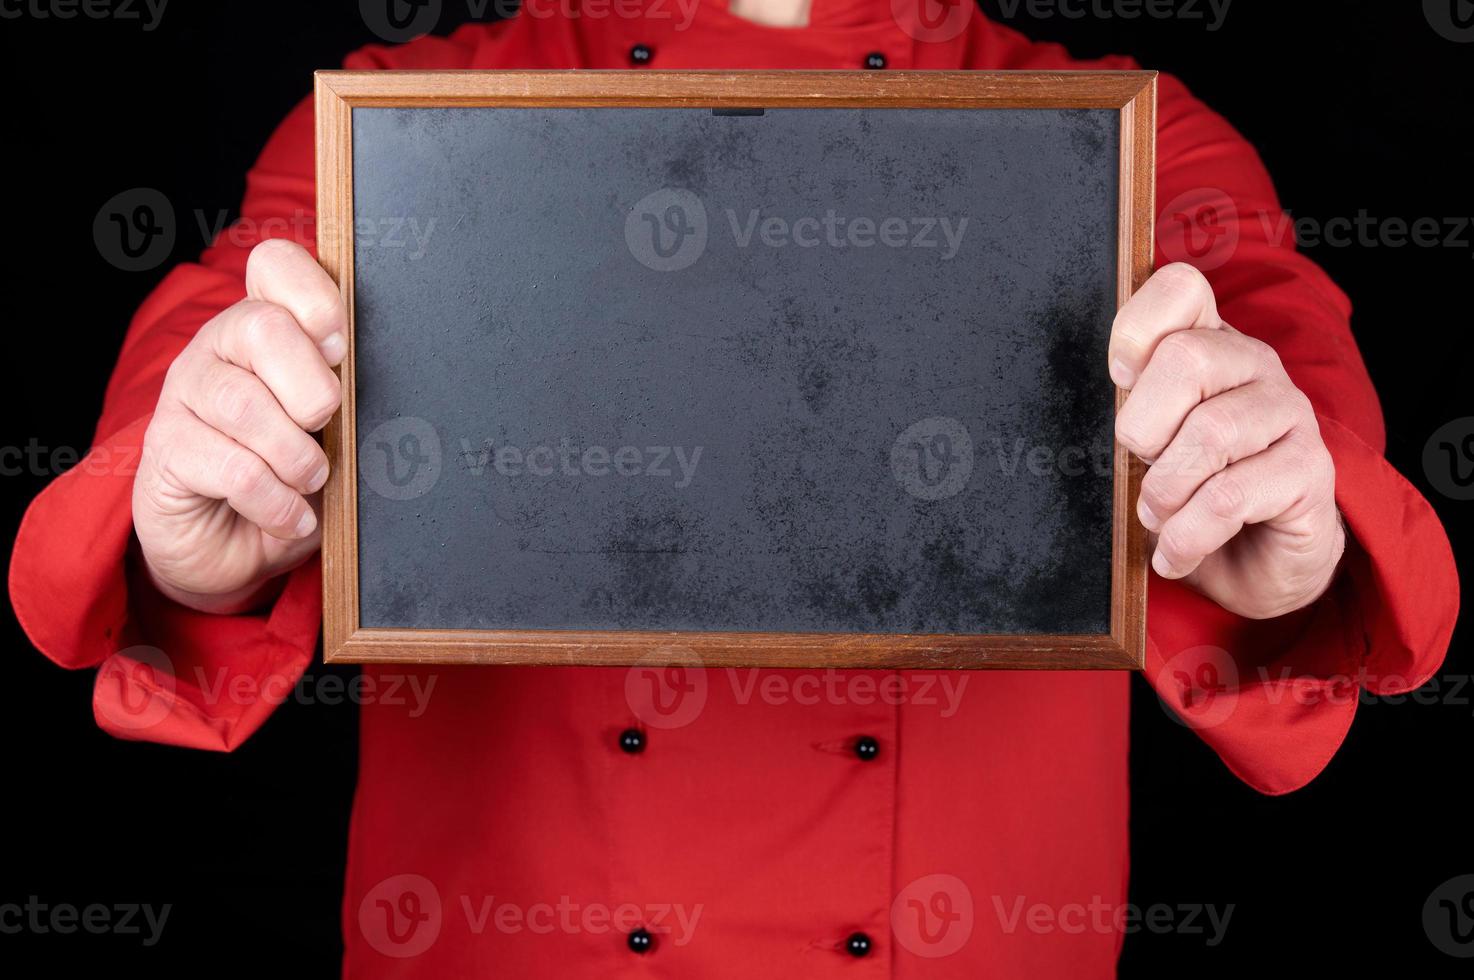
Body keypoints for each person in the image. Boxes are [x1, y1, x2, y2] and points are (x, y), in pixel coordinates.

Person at [9, 0, 1457, 975]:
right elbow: (190, 371)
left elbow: (1293, 381)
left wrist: (1286, 523)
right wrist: (197, 520)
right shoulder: (391, 130)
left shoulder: (1135, 141)